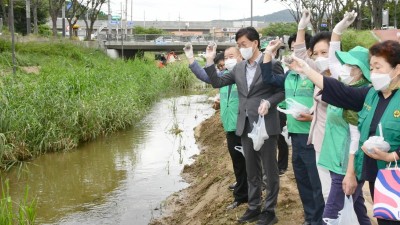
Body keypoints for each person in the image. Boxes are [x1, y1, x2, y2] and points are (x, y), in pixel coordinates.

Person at [286, 40, 400, 225]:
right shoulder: (371, 95)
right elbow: (340, 90)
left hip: (395, 173)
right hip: (379, 177)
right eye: (371, 68)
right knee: (385, 219)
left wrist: (392, 155)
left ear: (397, 69)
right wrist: (306, 69)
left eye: (378, 67)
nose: (373, 73)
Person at [204, 27, 285, 225]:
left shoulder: (272, 64)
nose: (242, 49)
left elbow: (283, 91)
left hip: (265, 123)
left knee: (269, 169)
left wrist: (269, 102)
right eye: (239, 45)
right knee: (251, 169)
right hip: (246, 124)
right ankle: (253, 207)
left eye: (244, 45)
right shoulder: (238, 68)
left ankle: (269, 211)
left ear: (255, 43)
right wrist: (209, 59)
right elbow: (217, 82)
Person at [314, 12, 372, 225]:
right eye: (345, 65)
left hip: (346, 166)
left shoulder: (358, 95)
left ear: (361, 71)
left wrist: (351, 174)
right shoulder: (348, 85)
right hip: (336, 160)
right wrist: (337, 31)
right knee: (356, 210)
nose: (344, 68)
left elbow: (356, 138)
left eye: (350, 66)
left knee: (332, 216)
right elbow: (333, 60)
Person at [261, 37, 325, 225]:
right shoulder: (290, 76)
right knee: (302, 180)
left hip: (312, 135)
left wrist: (312, 118)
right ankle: (310, 217)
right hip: (295, 135)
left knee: (316, 182)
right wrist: (268, 53)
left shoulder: (317, 78)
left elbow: (329, 109)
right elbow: (268, 78)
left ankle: (319, 220)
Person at [183, 43, 248, 210]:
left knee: (246, 161)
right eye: (226, 58)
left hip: (243, 125)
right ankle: (242, 189)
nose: (227, 61)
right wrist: (191, 57)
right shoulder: (225, 76)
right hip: (230, 125)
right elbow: (205, 75)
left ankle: (243, 195)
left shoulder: (247, 74)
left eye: (231, 56)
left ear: (242, 57)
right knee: (238, 161)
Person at [294, 9, 338, 203]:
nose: (319, 57)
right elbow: (300, 56)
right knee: (327, 192)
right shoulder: (317, 71)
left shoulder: (341, 76)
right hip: (320, 140)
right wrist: (301, 28)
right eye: (316, 53)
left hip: (337, 143)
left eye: (325, 53)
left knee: (339, 193)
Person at [260, 41, 289, 176]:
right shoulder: (258, 65)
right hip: (266, 107)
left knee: (281, 138)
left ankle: (282, 166)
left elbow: (280, 87)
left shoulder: (275, 64)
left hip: (279, 107)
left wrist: (272, 102)